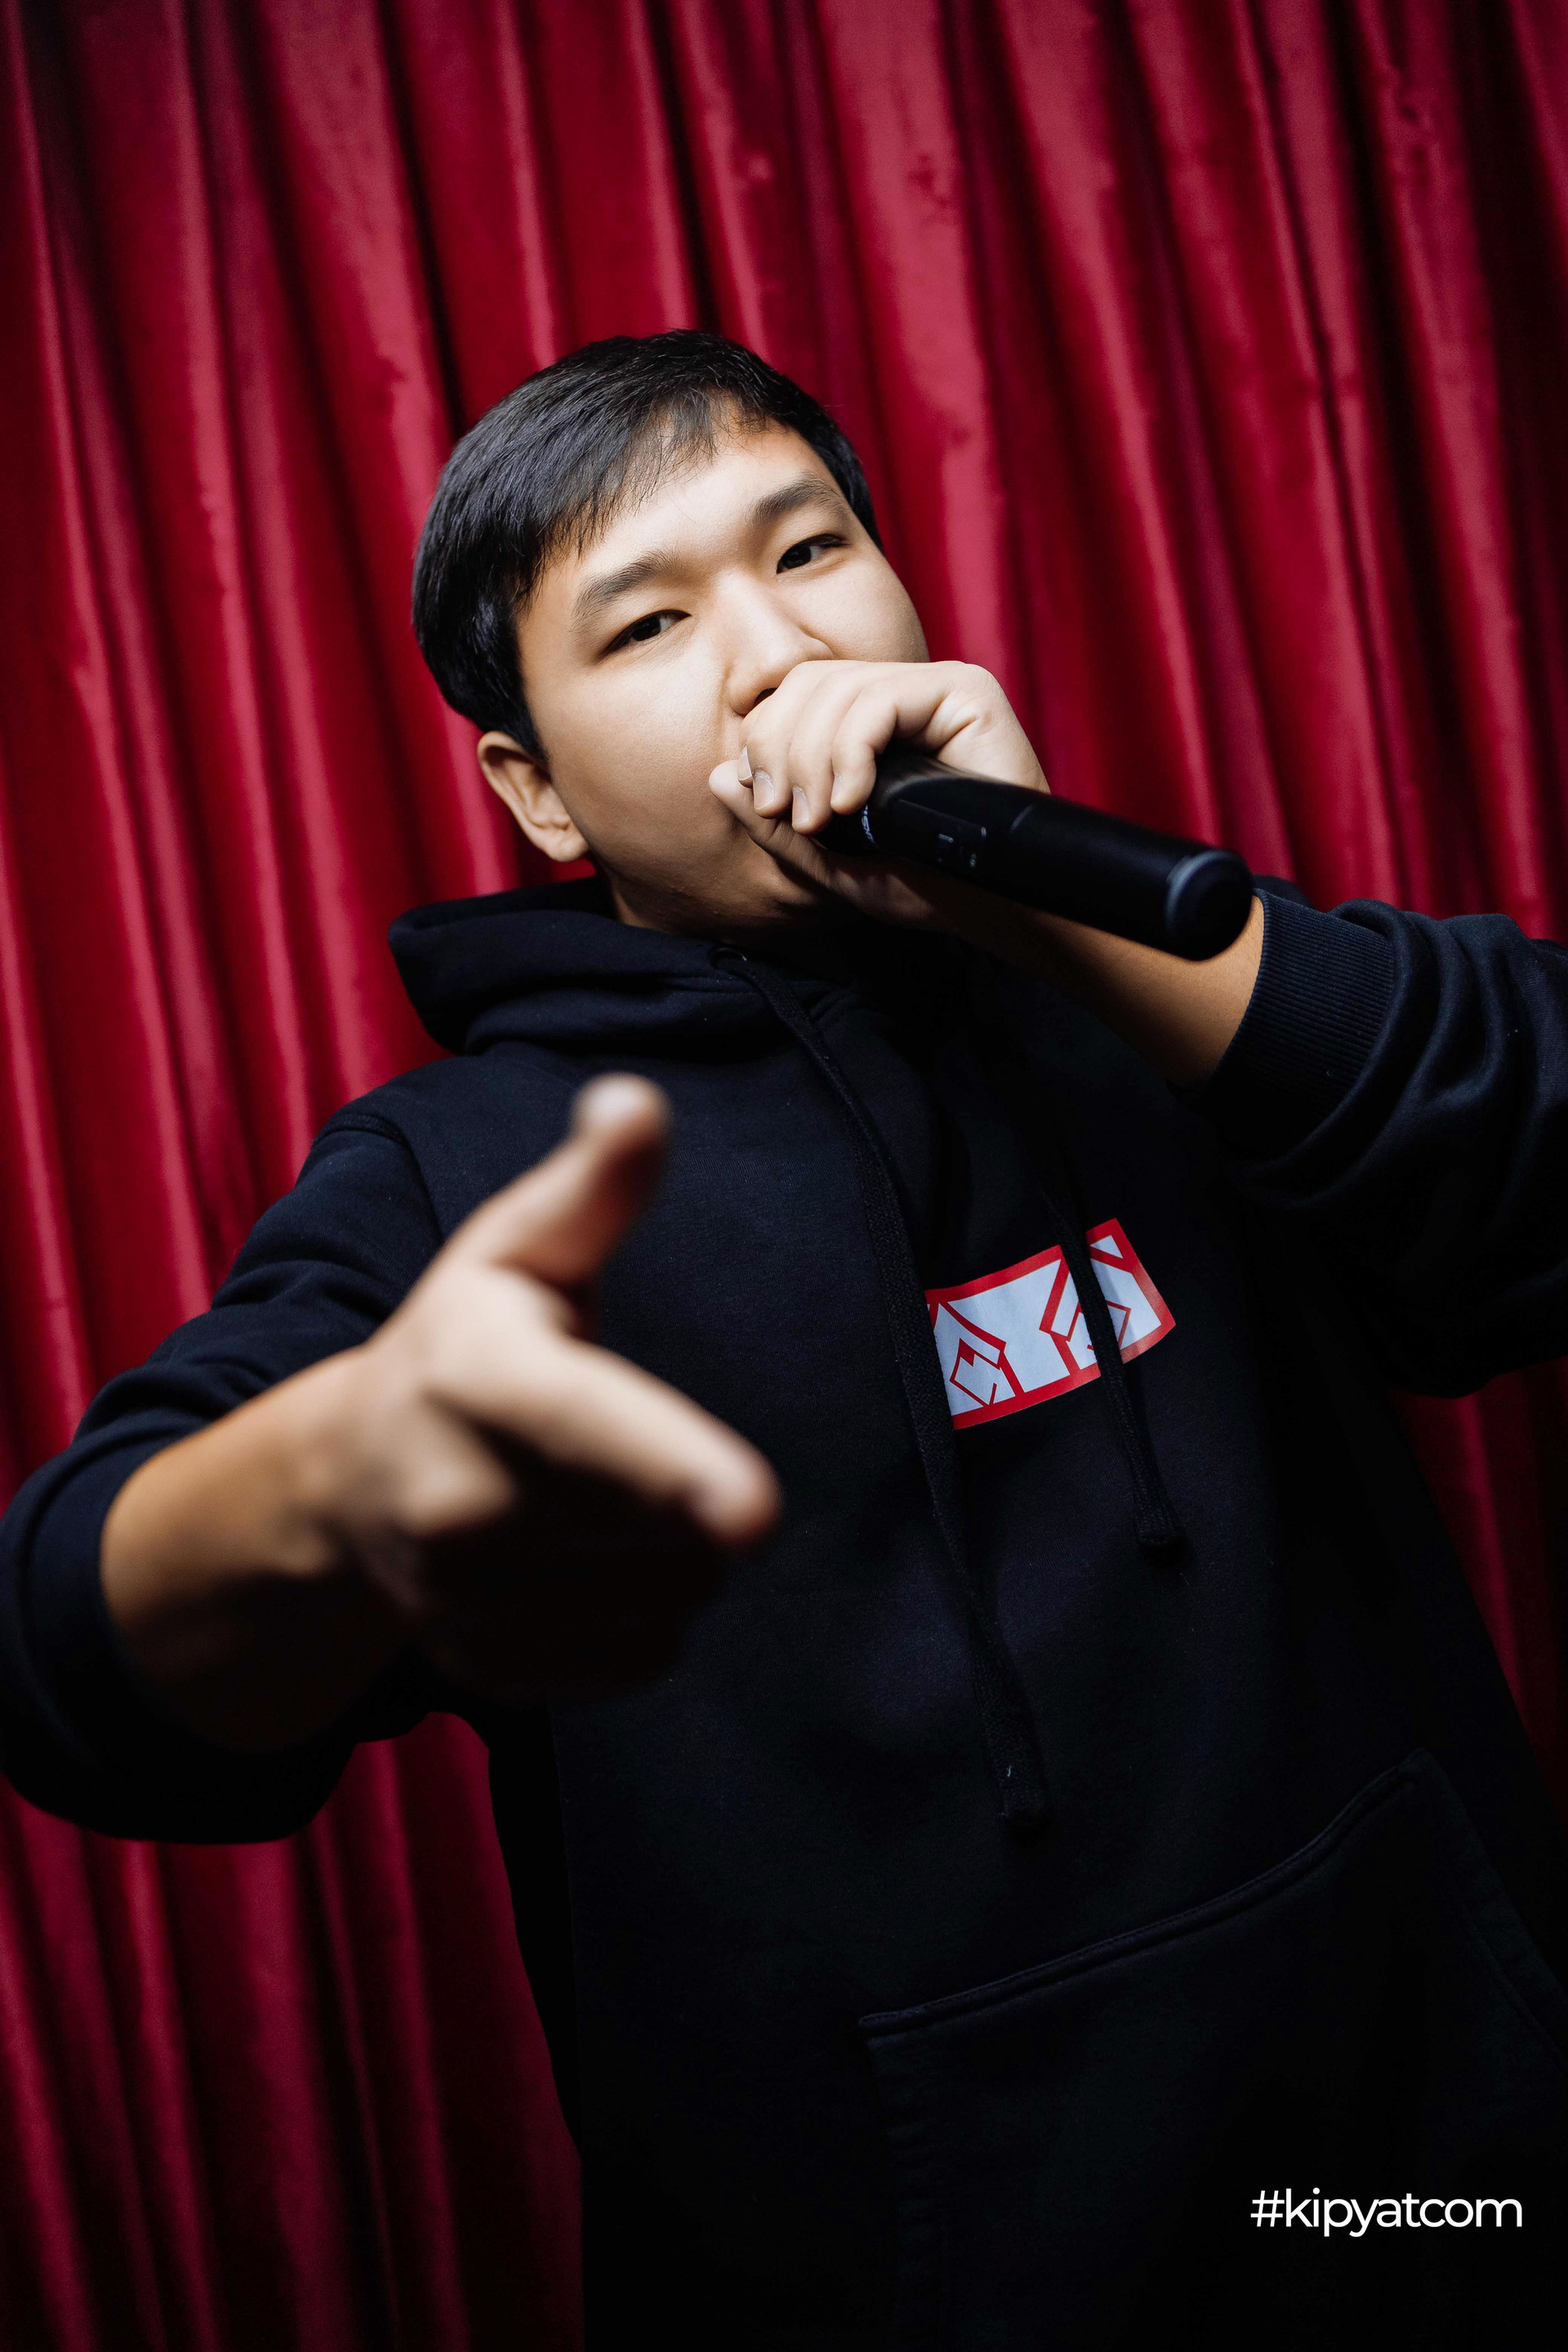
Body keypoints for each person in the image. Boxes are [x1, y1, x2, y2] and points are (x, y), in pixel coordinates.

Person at [2, 330, 1566, 2350]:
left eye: (810, 549)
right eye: (648, 622)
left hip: (1441, 2191)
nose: (774, 652)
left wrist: (1062, 923)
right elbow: (65, 1643)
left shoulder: (1161, 999)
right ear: (535, 791)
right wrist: (326, 1480)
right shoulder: (468, 1179)